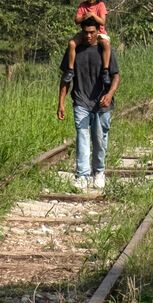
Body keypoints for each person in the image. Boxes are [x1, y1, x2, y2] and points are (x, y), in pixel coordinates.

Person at [58, 17, 121, 191]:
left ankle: (99, 172)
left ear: (98, 32)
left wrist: (109, 94)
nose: (88, 36)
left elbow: (116, 76)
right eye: (85, 32)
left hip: (102, 103)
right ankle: (83, 175)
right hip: (81, 101)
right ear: (81, 32)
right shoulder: (74, 50)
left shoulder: (104, 49)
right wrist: (61, 103)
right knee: (82, 136)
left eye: (92, 32)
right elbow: (66, 79)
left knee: (100, 139)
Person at [65, 0, 111, 83]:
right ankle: (70, 70)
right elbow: (76, 20)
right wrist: (84, 17)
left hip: (99, 33)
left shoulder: (101, 5)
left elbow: (102, 22)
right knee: (72, 44)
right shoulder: (82, 5)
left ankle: (105, 70)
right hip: (84, 32)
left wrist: (93, 15)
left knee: (106, 44)